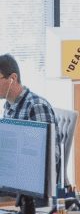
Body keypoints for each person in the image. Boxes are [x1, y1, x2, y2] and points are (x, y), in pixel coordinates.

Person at [1, 54, 61, 184]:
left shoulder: (36, 107)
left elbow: (48, 158)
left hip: (31, 182)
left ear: (12, 78)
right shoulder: (9, 107)